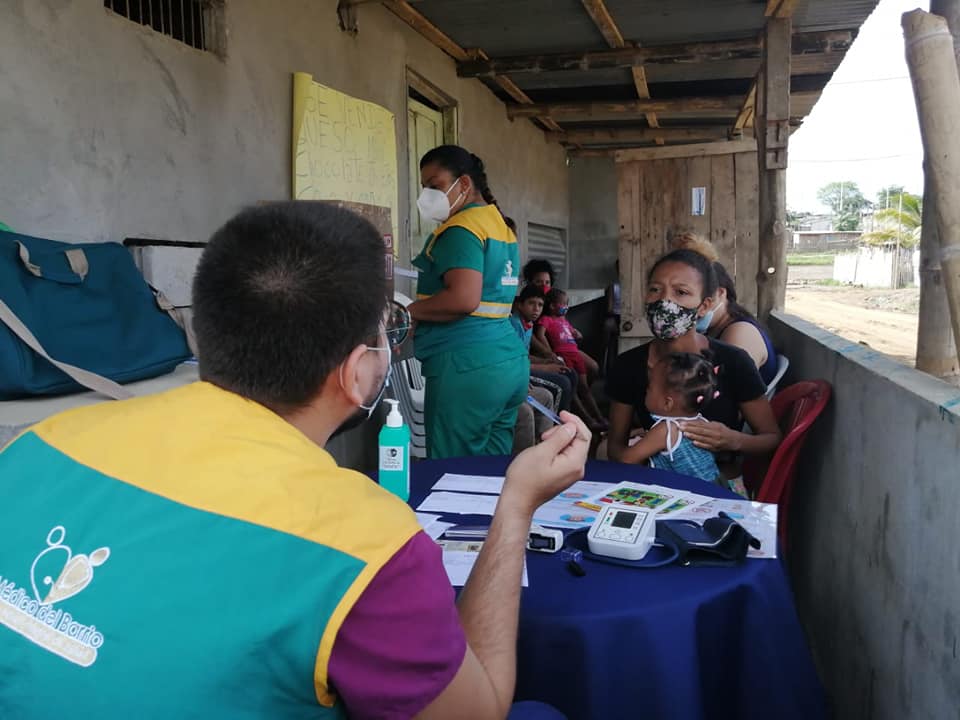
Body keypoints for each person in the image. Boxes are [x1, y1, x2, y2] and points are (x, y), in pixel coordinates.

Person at [0, 202, 591, 719]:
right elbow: (476, 712)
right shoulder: (367, 543)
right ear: (356, 371)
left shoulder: (36, 443)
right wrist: (516, 507)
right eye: (386, 333)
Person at [606, 249, 781, 483]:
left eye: (681, 292)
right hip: (656, 487)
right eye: (655, 289)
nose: (664, 301)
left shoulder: (733, 361)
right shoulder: (628, 365)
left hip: (719, 487)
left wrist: (733, 440)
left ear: (704, 306)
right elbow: (615, 448)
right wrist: (645, 449)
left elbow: (771, 438)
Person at [408, 145, 529, 459]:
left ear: (463, 183)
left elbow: (463, 299)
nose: (427, 196)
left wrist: (410, 312)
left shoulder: (461, 229)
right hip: (507, 361)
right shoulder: (497, 224)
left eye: (434, 185)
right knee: (489, 472)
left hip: (466, 366)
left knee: (451, 473)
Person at [618, 351, 721, 484]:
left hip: (686, 492)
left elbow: (627, 460)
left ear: (667, 403)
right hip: (714, 486)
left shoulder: (665, 430)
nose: (645, 390)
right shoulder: (701, 422)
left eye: (649, 387)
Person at [536, 288, 607, 431]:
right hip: (564, 355)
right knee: (573, 388)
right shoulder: (546, 320)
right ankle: (588, 420)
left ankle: (599, 418)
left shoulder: (564, 320)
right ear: (552, 306)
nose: (566, 307)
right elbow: (540, 334)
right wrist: (550, 352)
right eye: (563, 304)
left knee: (584, 388)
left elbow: (572, 333)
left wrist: (576, 334)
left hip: (575, 354)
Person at [702, 262, 779, 386]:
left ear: (720, 293)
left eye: (683, 293)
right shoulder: (713, 329)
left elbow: (728, 391)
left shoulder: (741, 333)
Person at [511, 283, 576, 412]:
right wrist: (545, 367)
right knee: (562, 384)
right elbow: (515, 363)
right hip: (518, 372)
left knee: (570, 373)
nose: (536, 309)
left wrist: (547, 361)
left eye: (540, 305)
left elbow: (525, 356)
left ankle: (567, 416)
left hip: (525, 366)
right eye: (531, 303)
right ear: (520, 305)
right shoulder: (514, 325)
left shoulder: (529, 324)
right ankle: (557, 421)